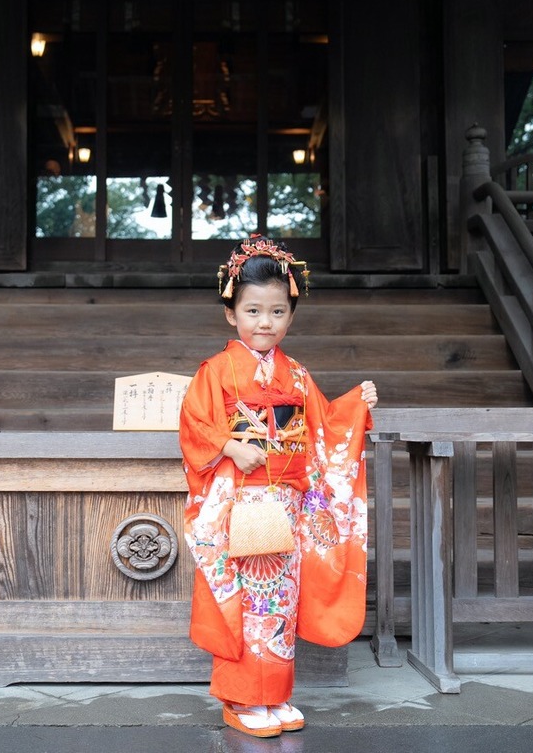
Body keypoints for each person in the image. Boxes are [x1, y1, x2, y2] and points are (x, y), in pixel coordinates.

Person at [179, 235, 378, 738]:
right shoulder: (216, 371)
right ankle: (241, 698)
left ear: (290, 315)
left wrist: (356, 403)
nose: (264, 322)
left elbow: (324, 425)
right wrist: (229, 447)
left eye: (277, 312)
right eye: (253, 311)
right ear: (231, 314)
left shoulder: (298, 374)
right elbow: (195, 422)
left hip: (286, 503)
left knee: (281, 600)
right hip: (238, 502)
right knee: (249, 599)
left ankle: (277, 694)